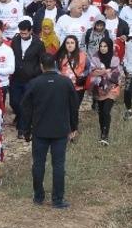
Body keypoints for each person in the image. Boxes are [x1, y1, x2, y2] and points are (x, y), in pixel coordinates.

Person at [22, 61, 79, 209]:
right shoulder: (65, 82)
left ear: (41, 66)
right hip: (60, 130)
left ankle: (39, 197)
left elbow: (26, 108)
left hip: (40, 130)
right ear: (55, 65)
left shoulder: (34, 83)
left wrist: (26, 130)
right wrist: (74, 127)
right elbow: (74, 106)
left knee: (38, 164)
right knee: (59, 165)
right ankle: (58, 199)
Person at [88, 38, 122, 144]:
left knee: (106, 111)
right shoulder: (94, 58)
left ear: (110, 47)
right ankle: (102, 131)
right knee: (101, 112)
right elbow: (92, 72)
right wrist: (105, 71)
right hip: (99, 89)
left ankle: (105, 136)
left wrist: (102, 73)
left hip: (112, 88)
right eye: (101, 46)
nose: (103, 48)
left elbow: (116, 74)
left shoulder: (115, 58)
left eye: (105, 46)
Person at [55, 35, 90, 106]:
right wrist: (59, 75)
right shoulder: (60, 55)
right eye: (67, 43)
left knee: (74, 109)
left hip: (78, 88)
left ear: (76, 44)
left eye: (72, 43)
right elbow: (56, 68)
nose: (69, 45)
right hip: (63, 87)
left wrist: (82, 75)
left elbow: (89, 68)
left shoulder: (83, 55)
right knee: (64, 108)